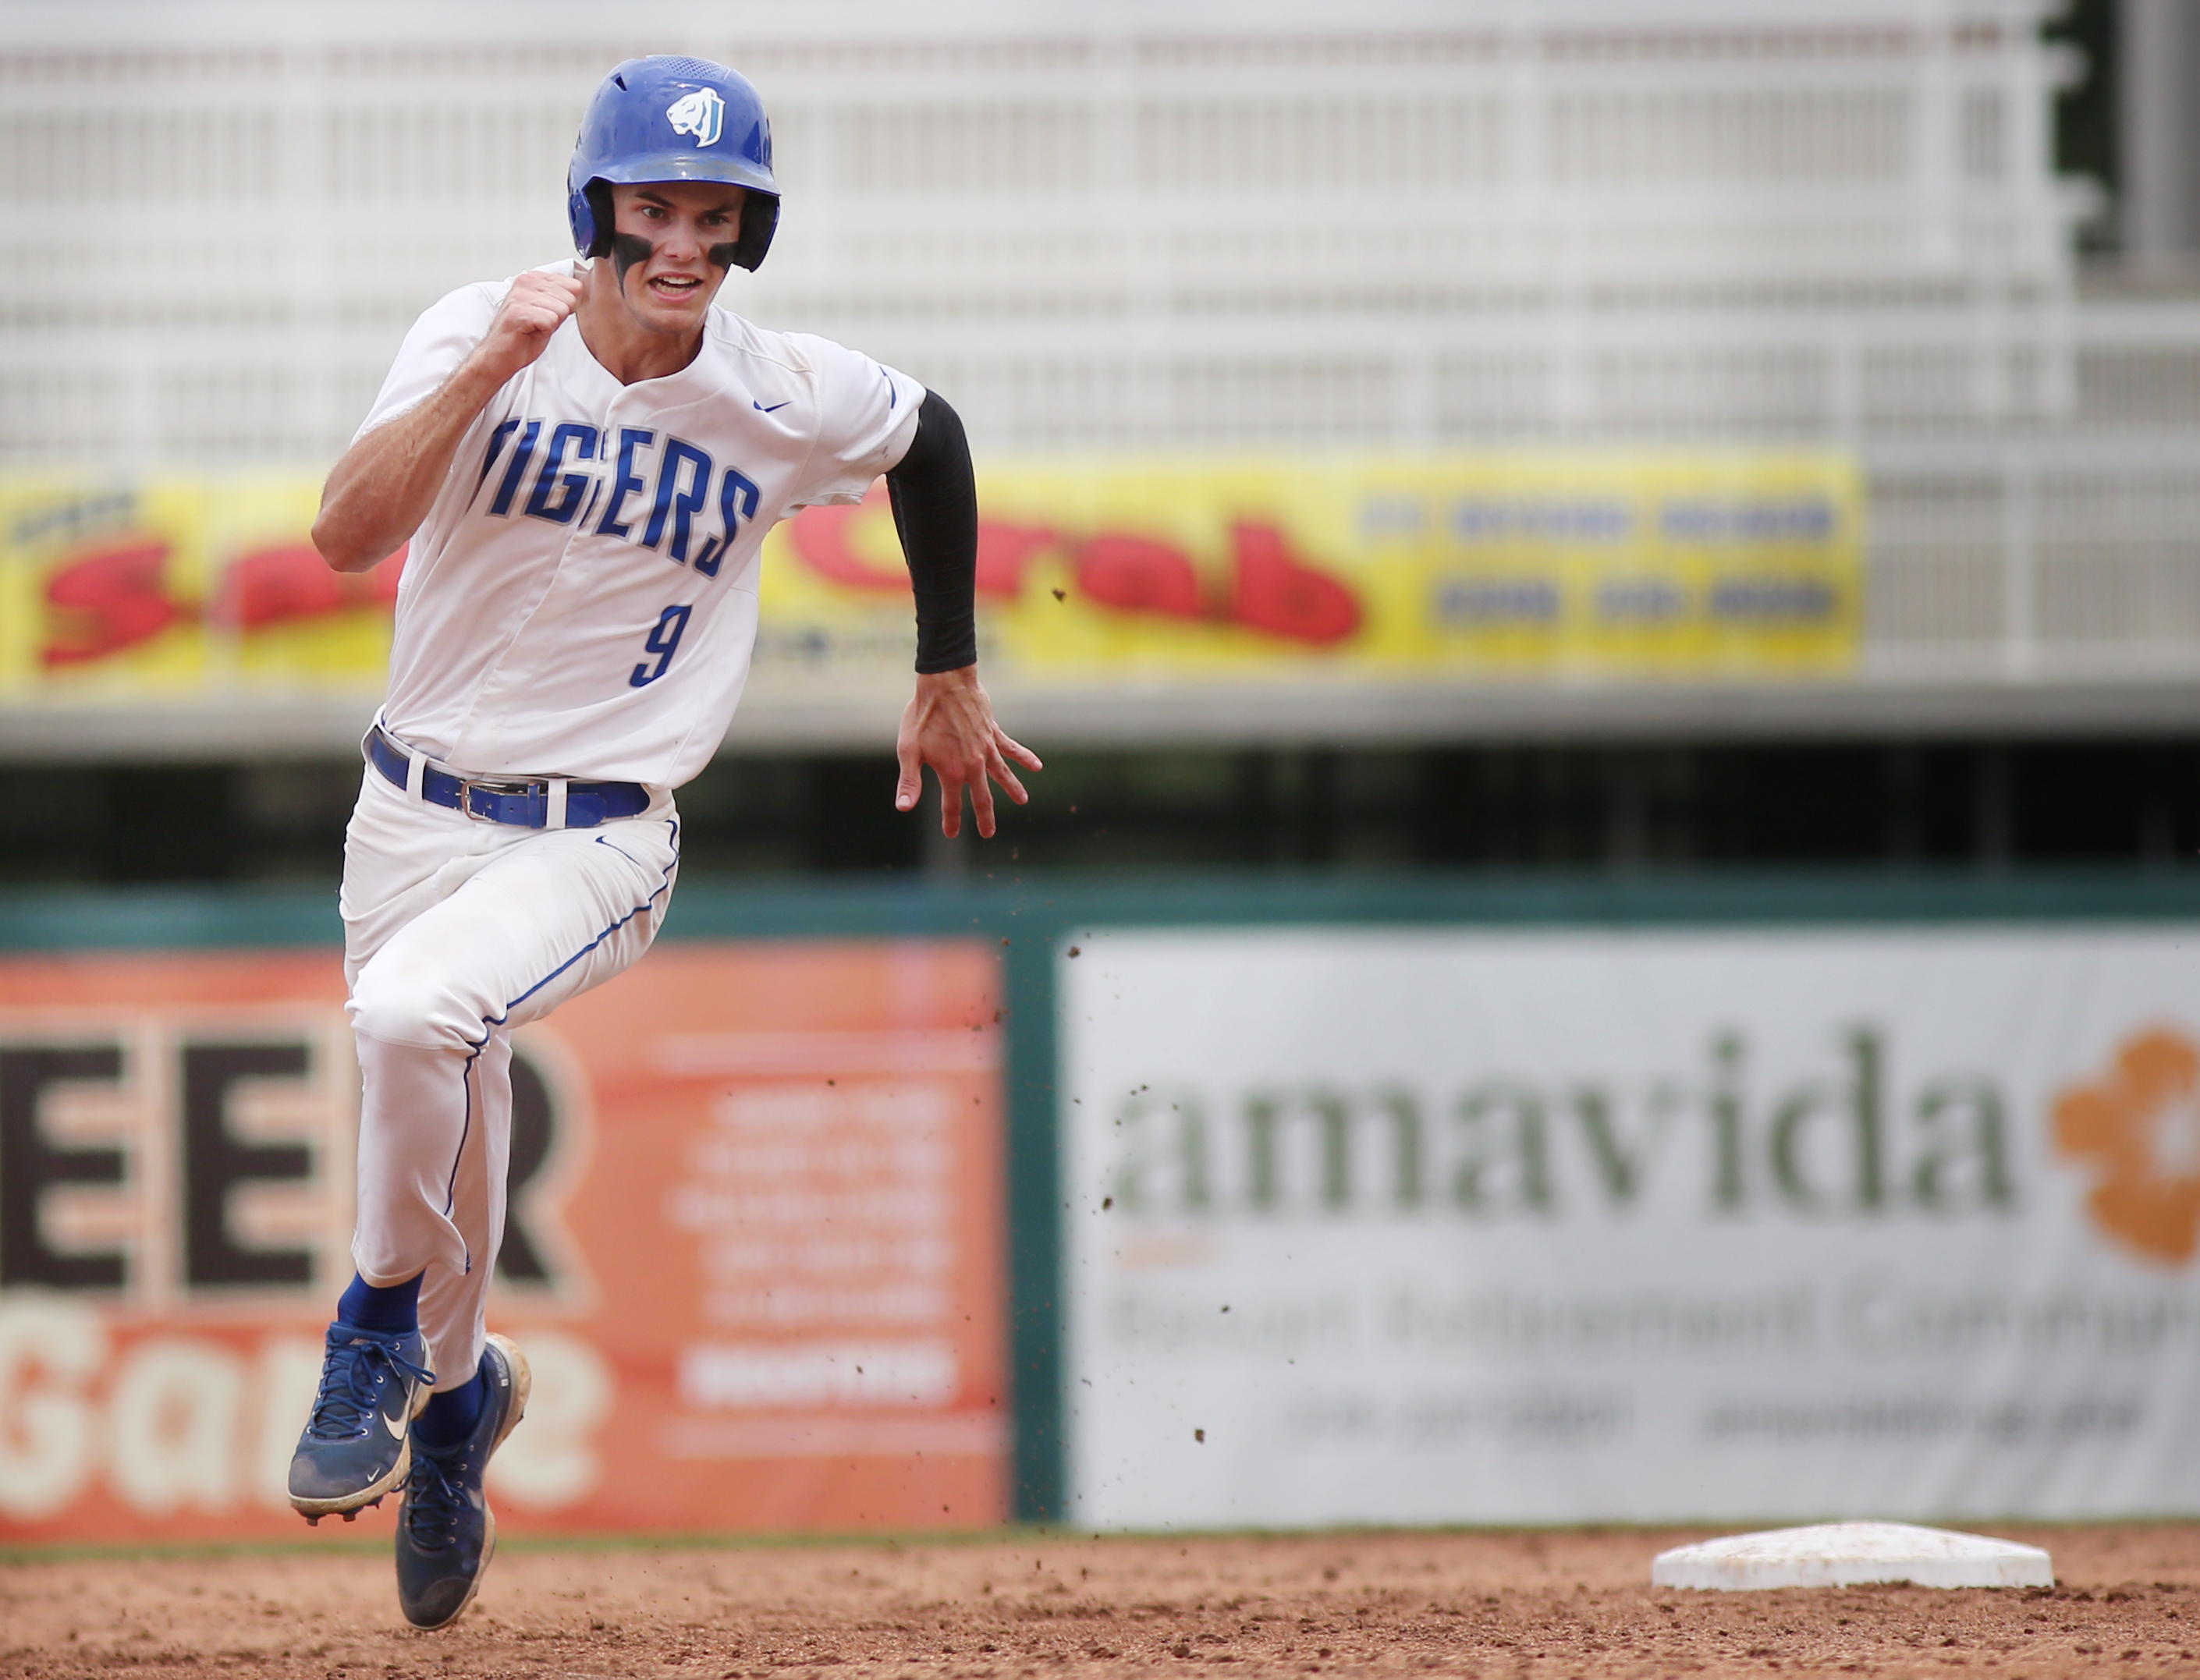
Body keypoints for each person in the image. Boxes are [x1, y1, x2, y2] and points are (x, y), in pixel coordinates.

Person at [282, 54, 1037, 1629]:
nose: (680, 244)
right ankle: (459, 1400)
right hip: (408, 811)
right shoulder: (477, 329)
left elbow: (933, 436)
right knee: (453, 1101)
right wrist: (483, 368)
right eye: (651, 209)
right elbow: (349, 532)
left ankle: (367, 1334)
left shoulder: (775, 391)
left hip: (600, 839)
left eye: (714, 214)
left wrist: (947, 663)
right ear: (595, 209)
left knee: (419, 1020)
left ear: (749, 229)